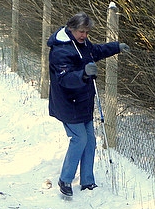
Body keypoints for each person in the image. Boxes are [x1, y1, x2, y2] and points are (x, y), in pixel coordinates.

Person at [47, 12, 130, 197]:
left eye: (86, 32)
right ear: (71, 28)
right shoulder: (60, 51)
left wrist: (116, 47)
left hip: (84, 101)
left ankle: (87, 181)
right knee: (79, 139)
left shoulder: (82, 45)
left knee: (90, 141)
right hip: (67, 103)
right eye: (80, 31)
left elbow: (97, 51)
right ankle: (65, 179)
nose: (84, 35)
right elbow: (65, 79)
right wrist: (83, 74)